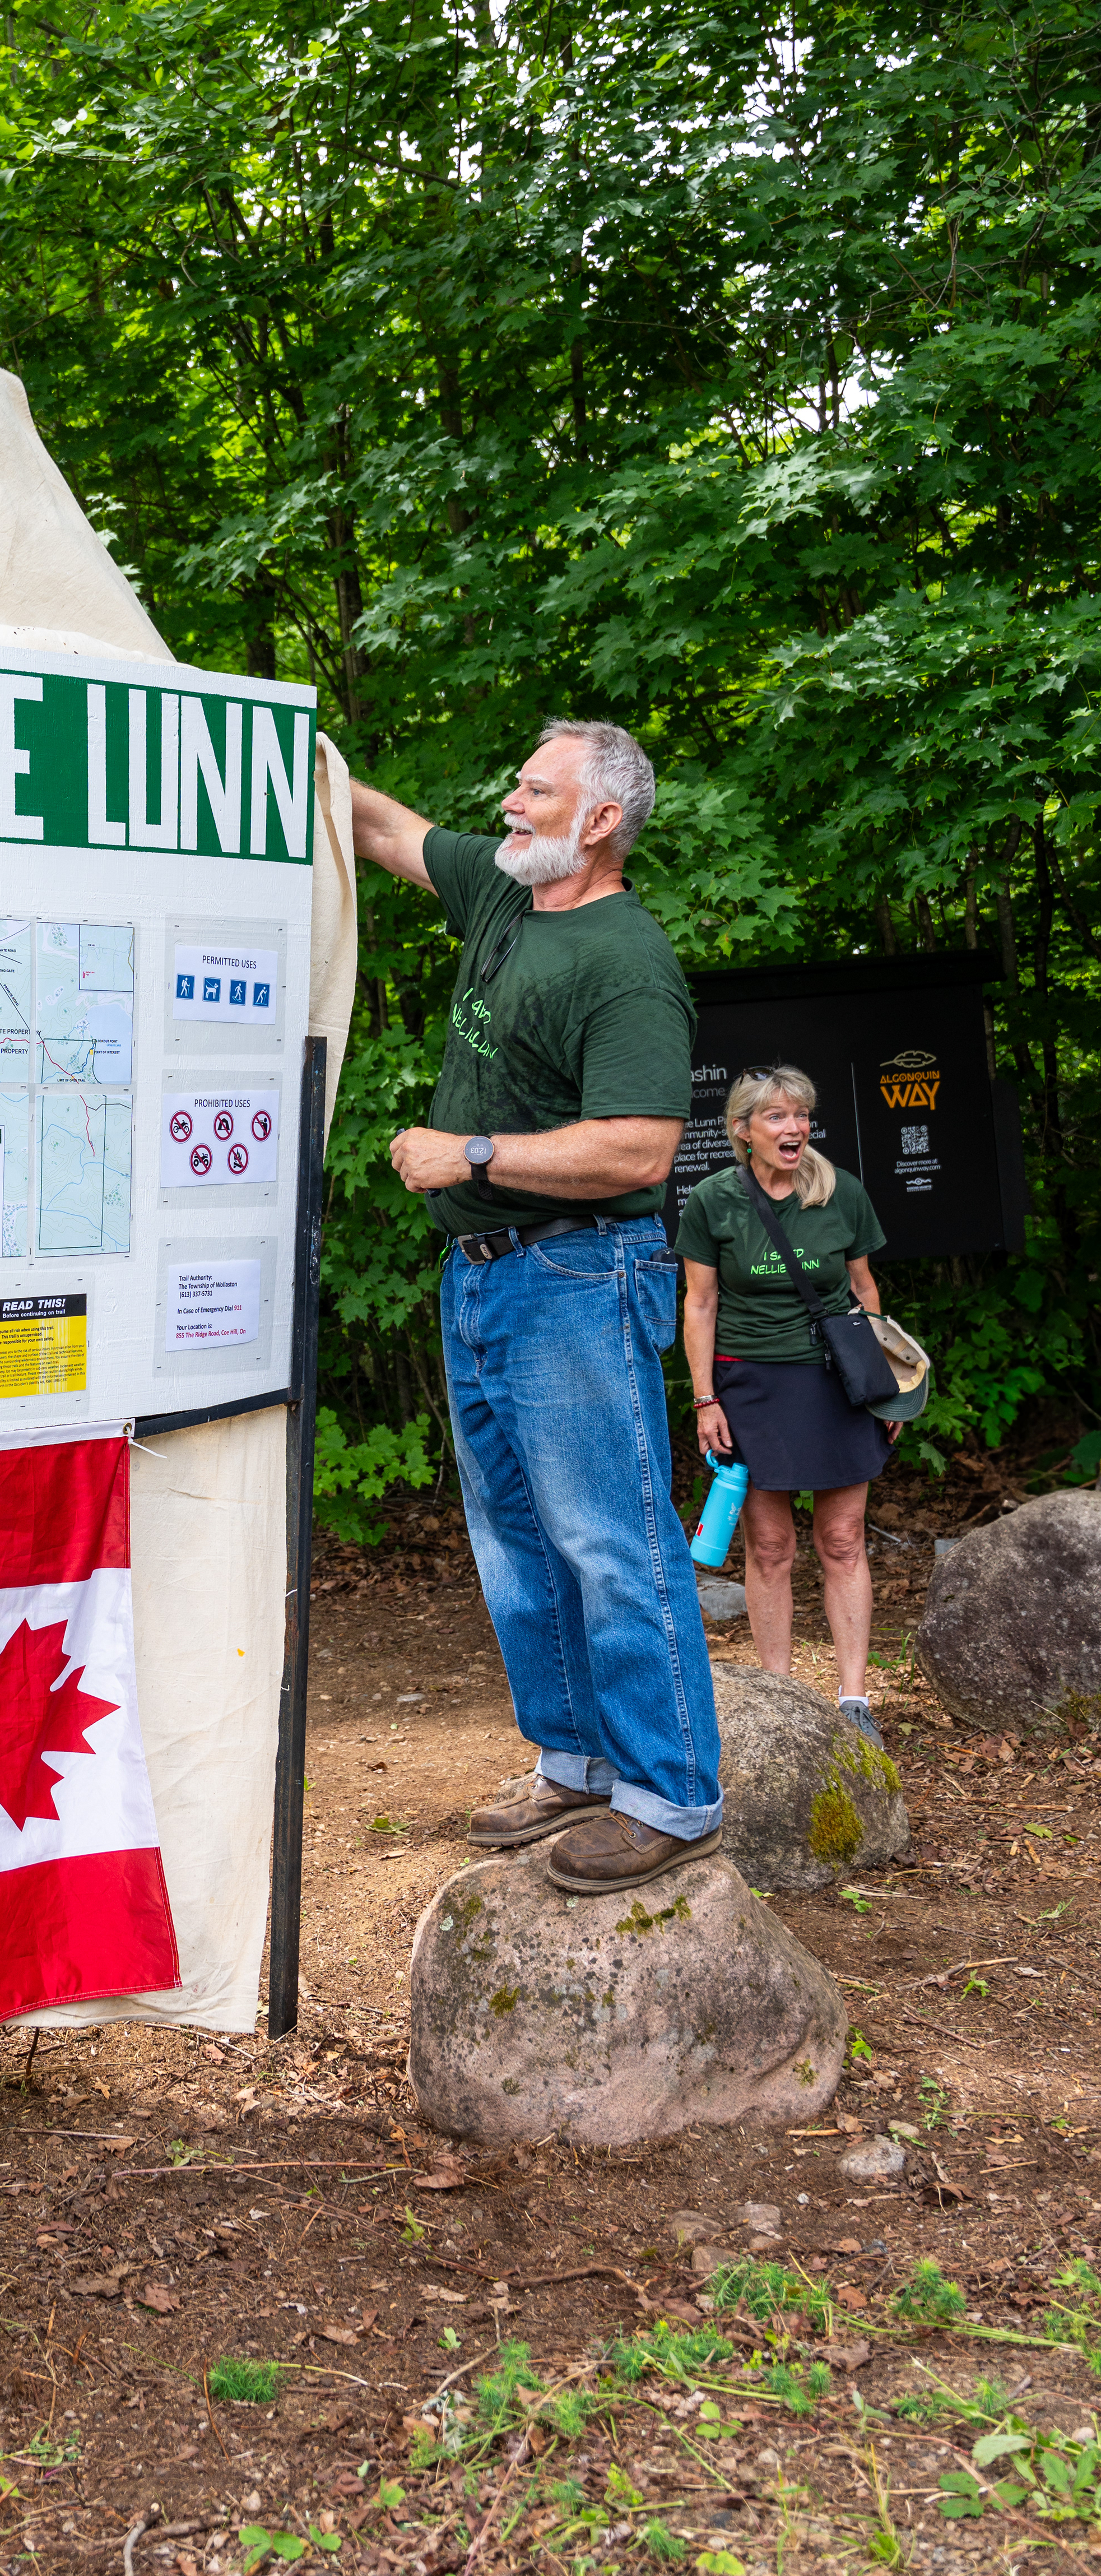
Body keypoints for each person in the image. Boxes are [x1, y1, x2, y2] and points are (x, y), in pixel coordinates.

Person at [348, 719, 723, 1892]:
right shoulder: (510, 899)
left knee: (611, 1541)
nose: (507, 802)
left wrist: (470, 1152)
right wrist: (263, 746)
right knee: (515, 1539)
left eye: (534, 788)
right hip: (484, 1280)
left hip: (577, 1276)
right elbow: (377, 826)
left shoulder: (626, 960)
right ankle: (576, 1763)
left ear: (600, 820)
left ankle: (672, 1794)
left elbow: (639, 1151)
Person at [679, 1067, 894, 1744]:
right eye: (776, 1117)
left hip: (836, 1383)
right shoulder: (712, 1201)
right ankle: (778, 1699)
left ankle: (854, 1703)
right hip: (749, 1384)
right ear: (743, 1131)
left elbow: (865, 1292)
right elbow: (701, 1303)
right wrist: (705, 1397)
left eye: (801, 1114)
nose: (794, 1127)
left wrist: (885, 1378)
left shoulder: (842, 1193)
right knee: (770, 1547)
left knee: (842, 1541)